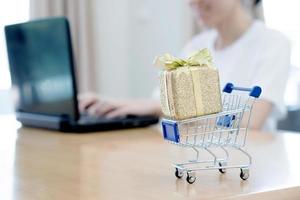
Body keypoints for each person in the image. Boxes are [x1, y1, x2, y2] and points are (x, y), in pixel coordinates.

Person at [79, 0, 291, 131]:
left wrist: (161, 108)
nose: (192, 2)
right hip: (195, 157)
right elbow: (161, 102)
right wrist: (111, 103)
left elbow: (251, 121)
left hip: (253, 163)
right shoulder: (197, 46)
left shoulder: (272, 43)